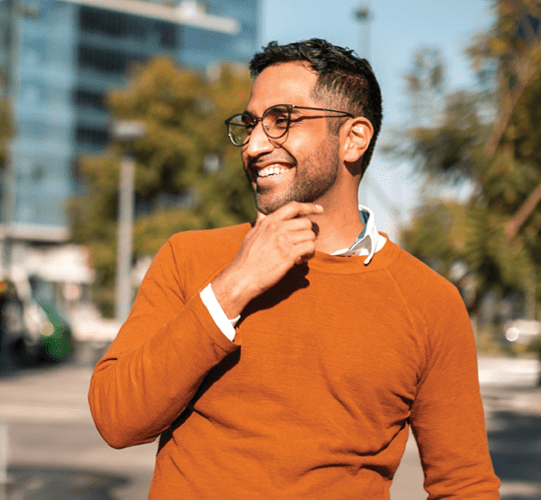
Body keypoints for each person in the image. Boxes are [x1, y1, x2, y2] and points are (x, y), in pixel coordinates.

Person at [89, 38, 500, 499]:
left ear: (353, 139)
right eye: (250, 124)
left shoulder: (430, 303)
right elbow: (116, 418)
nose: (254, 145)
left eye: (281, 121)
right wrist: (234, 285)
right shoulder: (189, 258)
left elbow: (464, 485)